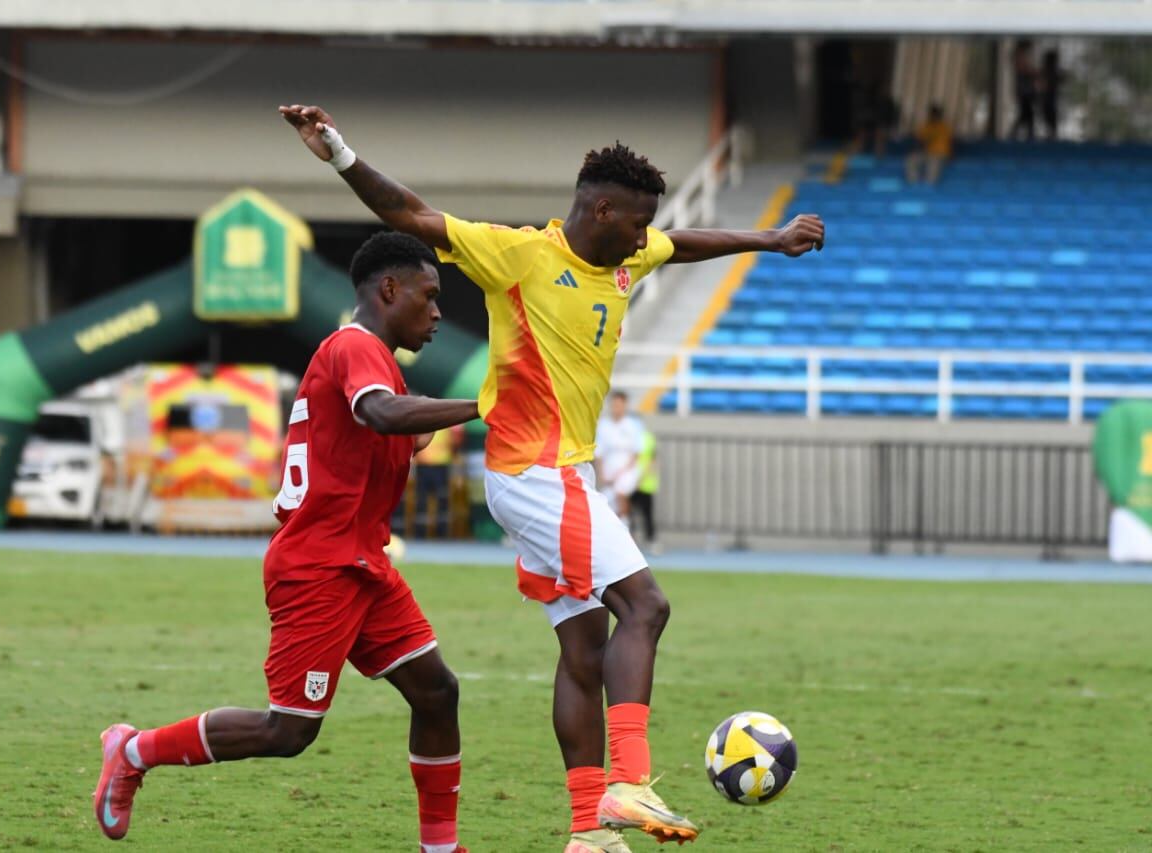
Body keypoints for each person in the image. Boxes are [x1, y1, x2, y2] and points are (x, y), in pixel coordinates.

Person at [279, 102, 824, 853]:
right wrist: (336, 151)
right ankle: (629, 780)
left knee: (584, 648)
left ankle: (586, 832)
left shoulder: (628, 254)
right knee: (647, 605)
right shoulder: (519, 256)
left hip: (559, 474)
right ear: (600, 209)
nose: (644, 238)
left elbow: (685, 242)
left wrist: (769, 239)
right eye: (635, 223)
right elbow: (408, 210)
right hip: (537, 470)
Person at [93, 232, 479, 852]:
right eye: (429, 296)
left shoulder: (375, 361)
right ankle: (133, 751)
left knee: (437, 691)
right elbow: (382, 416)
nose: (437, 312)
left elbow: (393, 433)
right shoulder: (355, 346)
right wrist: (481, 401)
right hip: (319, 565)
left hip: (362, 562)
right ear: (389, 289)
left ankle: (440, 848)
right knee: (289, 731)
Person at [594, 391, 645, 526]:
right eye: (615, 404)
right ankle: (619, 527)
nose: (617, 408)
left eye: (620, 405)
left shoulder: (633, 425)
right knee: (609, 505)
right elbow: (599, 453)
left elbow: (636, 452)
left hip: (627, 470)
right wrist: (602, 473)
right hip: (609, 472)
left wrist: (621, 472)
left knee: (620, 492)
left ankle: (625, 525)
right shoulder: (604, 425)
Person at [413, 423, 464, 538]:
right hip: (426, 464)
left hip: (440, 465)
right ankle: (424, 532)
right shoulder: (440, 418)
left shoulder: (444, 419)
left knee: (439, 499)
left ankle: (439, 532)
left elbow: (456, 442)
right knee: (423, 499)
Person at [905, 104, 954, 185]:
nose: (933, 116)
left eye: (936, 114)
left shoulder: (945, 127)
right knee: (910, 160)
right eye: (932, 114)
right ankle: (913, 184)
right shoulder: (925, 126)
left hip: (941, 154)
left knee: (933, 162)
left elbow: (951, 142)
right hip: (927, 153)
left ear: (939, 115)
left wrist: (951, 155)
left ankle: (929, 186)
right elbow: (919, 141)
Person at [630, 429, 659, 555]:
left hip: (645, 484)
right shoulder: (628, 437)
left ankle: (652, 542)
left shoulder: (648, 438)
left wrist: (641, 478)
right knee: (630, 515)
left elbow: (652, 460)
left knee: (647, 515)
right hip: (630, 483)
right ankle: (632, 543)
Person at [1011, 40, 1038, 141]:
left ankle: (1030, 134)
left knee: (1027, 113)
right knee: (1025, 113)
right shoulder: (1019, 56)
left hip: (1027, 90)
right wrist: (1034, 73)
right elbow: (1023, 69)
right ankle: (1018, 133)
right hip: (1024, 90)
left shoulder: (1022, 56)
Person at [1040, 49, 1063, 140]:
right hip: (1048, 98)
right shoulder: (1049, 71)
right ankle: (1051, 135)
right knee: (1050, 118)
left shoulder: (1049, 71)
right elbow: (1044, 84)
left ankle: (1051, 135)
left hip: (1050, 98)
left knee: (1051, 118)